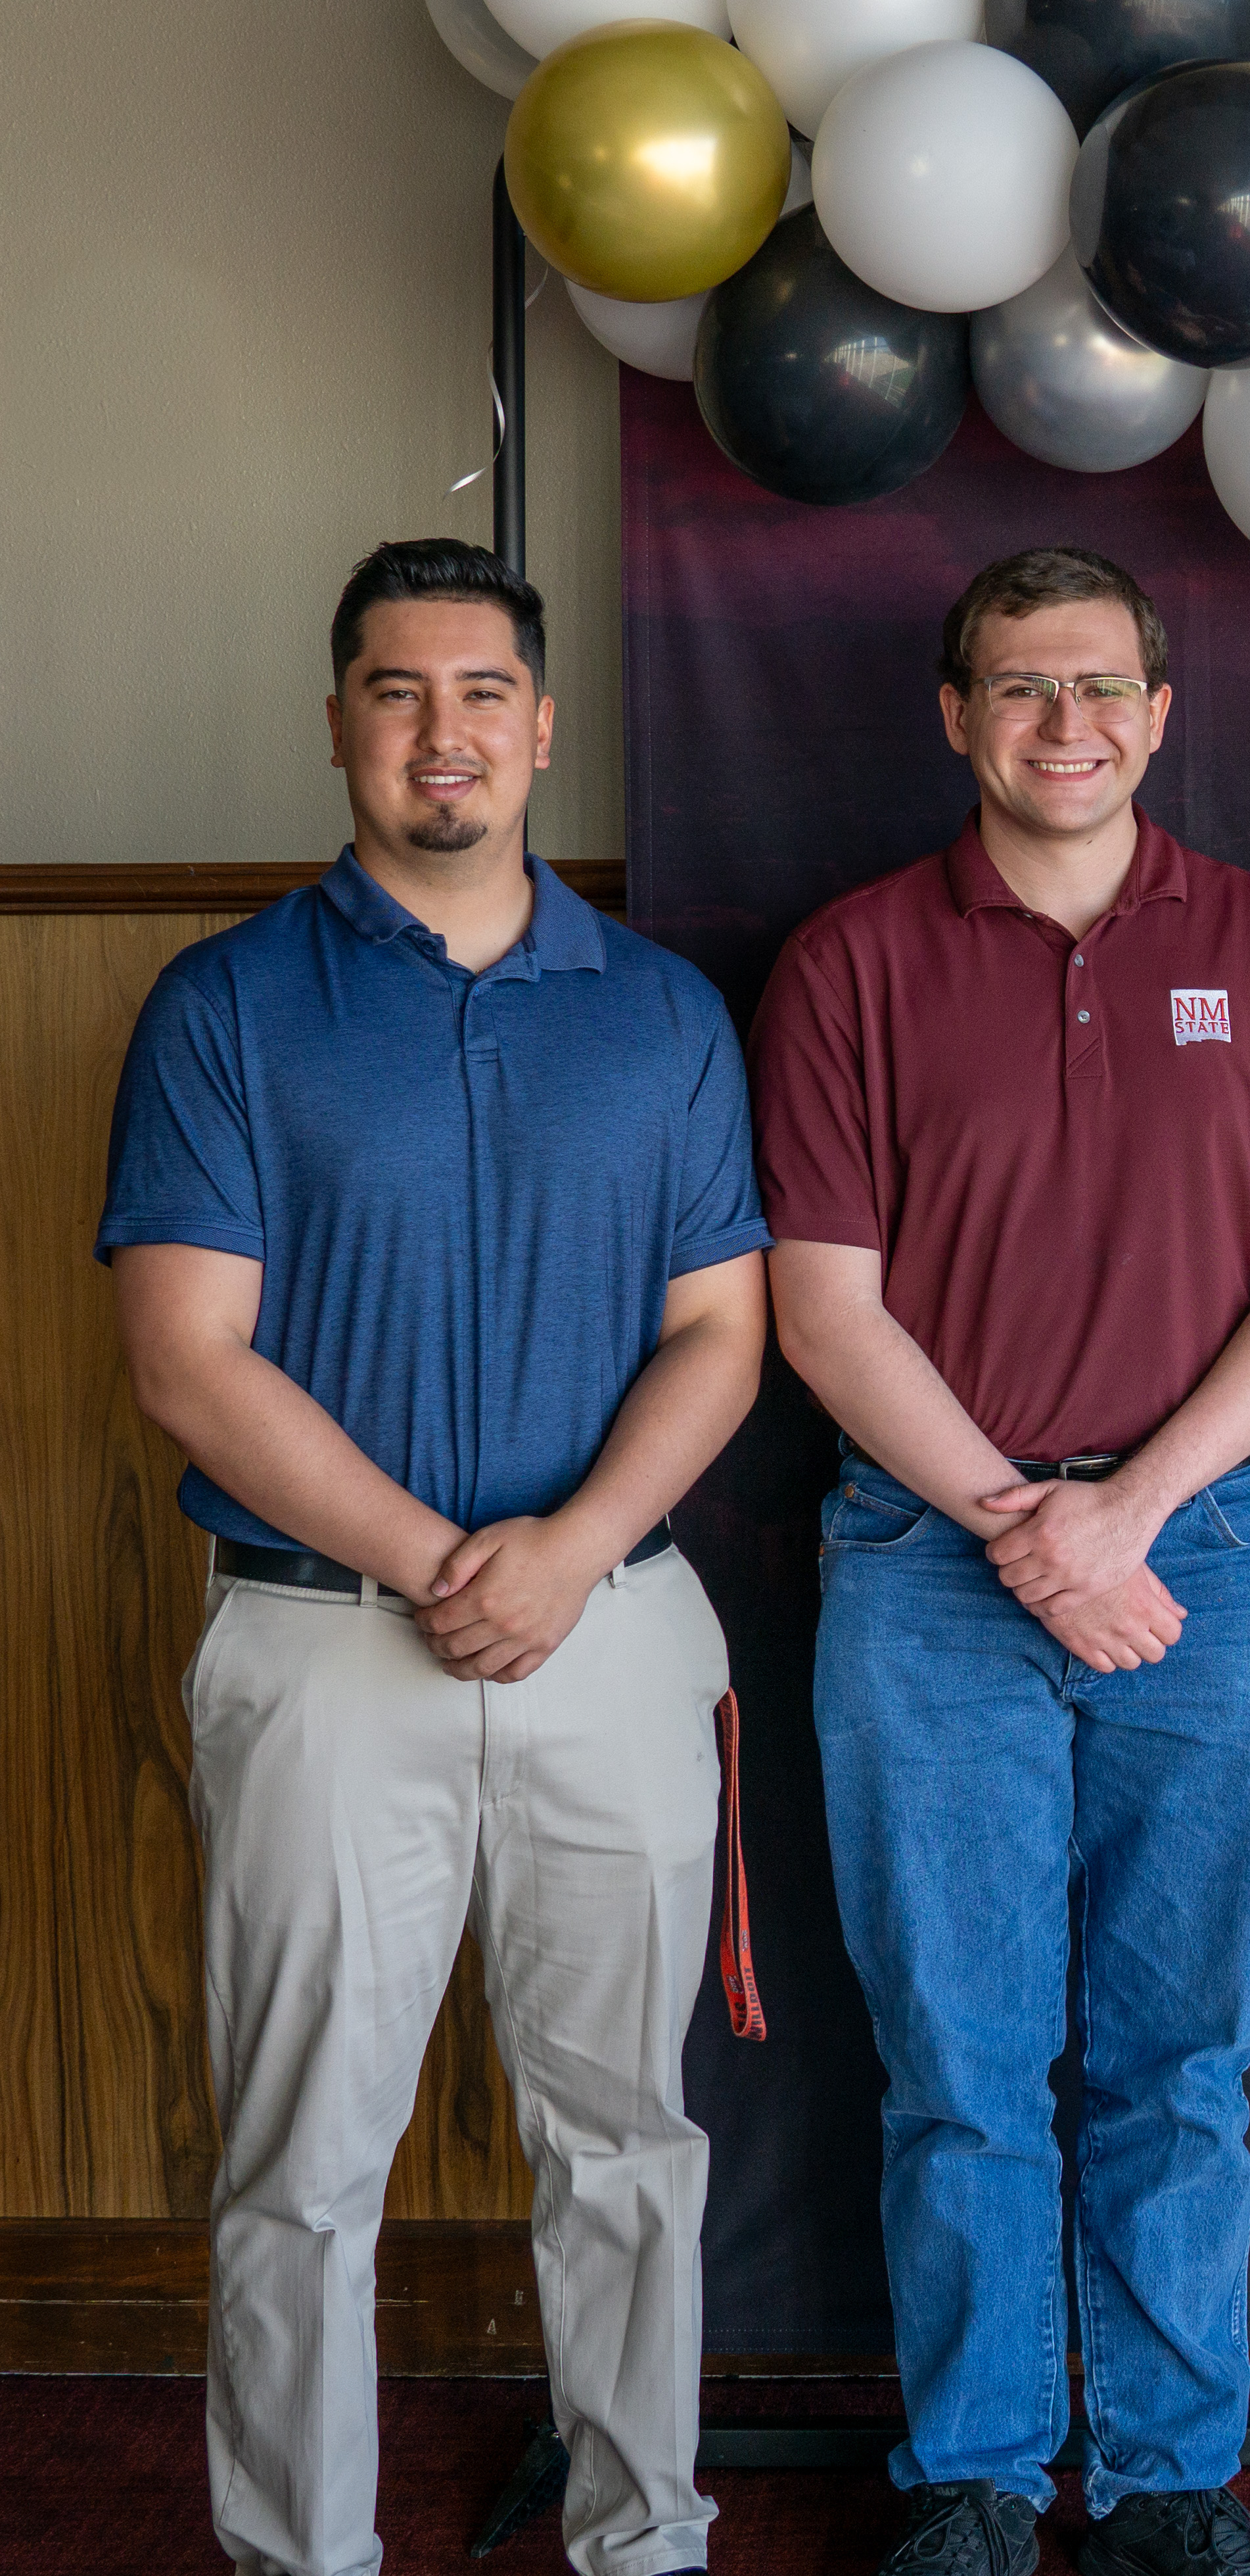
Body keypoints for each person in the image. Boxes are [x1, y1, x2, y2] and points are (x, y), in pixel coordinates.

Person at [751, 547, 1250, 2576]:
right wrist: (1024, 1530)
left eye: (1102, 689)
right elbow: (823, 1311)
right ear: (955, 717)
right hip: (921, 1560)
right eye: (1022, 691)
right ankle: (971, 2481)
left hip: (1201, 1553)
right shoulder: (851, 962)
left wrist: (1121, 1516)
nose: (1067, 726)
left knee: (1177, 2063)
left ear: (1159, 712)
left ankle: (1161, 2489)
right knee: (958, 2067)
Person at [103, 538, 770, 2576]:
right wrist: (441, 1566)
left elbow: (722, 1333)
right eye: (396, 692)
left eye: (481, 690)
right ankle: (301, 2558)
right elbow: (187, 1360)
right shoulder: (225, 1003)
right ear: (339, 729)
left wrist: (566, 1557)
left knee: (627, 2144)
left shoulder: (660, 1014)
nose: (442, 730)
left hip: (619, 1637)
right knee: (304, 2167)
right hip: (321, 1656)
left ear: (543, 725)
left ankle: (645, 2539)